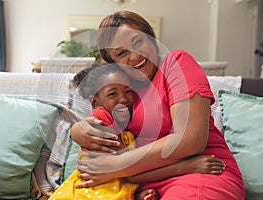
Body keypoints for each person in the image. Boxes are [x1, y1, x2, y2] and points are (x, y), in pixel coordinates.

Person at [70, 10, 245, 199]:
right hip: (144, 185)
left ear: (151, 38)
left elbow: (189, 140)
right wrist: (77, 130)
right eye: (121, 53)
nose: (135, 56)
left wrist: (114, 166)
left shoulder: (175, 63)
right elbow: (100, 125)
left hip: (200, 174)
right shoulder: (124, 93)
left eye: (138, 42)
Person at [49, 63, 157, 199]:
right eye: (112, 94)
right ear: (95, 102)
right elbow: (123, 157)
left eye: (128, 91)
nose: (123, 99)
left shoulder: (129, 121)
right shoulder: (99, 117)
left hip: (115, 182)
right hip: (93, 186)